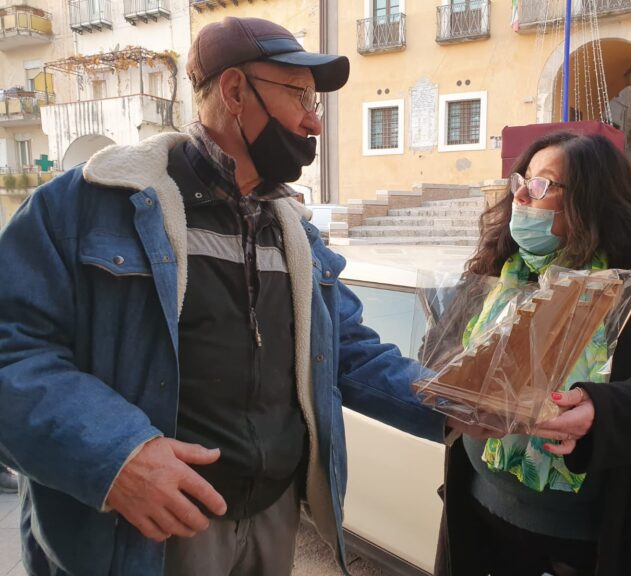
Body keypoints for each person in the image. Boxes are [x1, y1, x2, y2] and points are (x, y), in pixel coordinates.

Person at [0, 17, 491, 576]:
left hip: (271, 518)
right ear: (235, 92)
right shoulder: (88, 206)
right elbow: (12, 352)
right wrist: (115, 455)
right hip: (145, 533)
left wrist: (454, 400)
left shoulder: (296, 233)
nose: (314, 120)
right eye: (300, 96)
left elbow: (347, 352)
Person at [432, 131, 631, 576]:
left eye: (541, 185)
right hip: (484, 520)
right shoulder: (503, 263)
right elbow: (453, 357)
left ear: (590, 198)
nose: (521, 194)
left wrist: (604, 411)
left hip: (599, 543)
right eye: (520, 180)